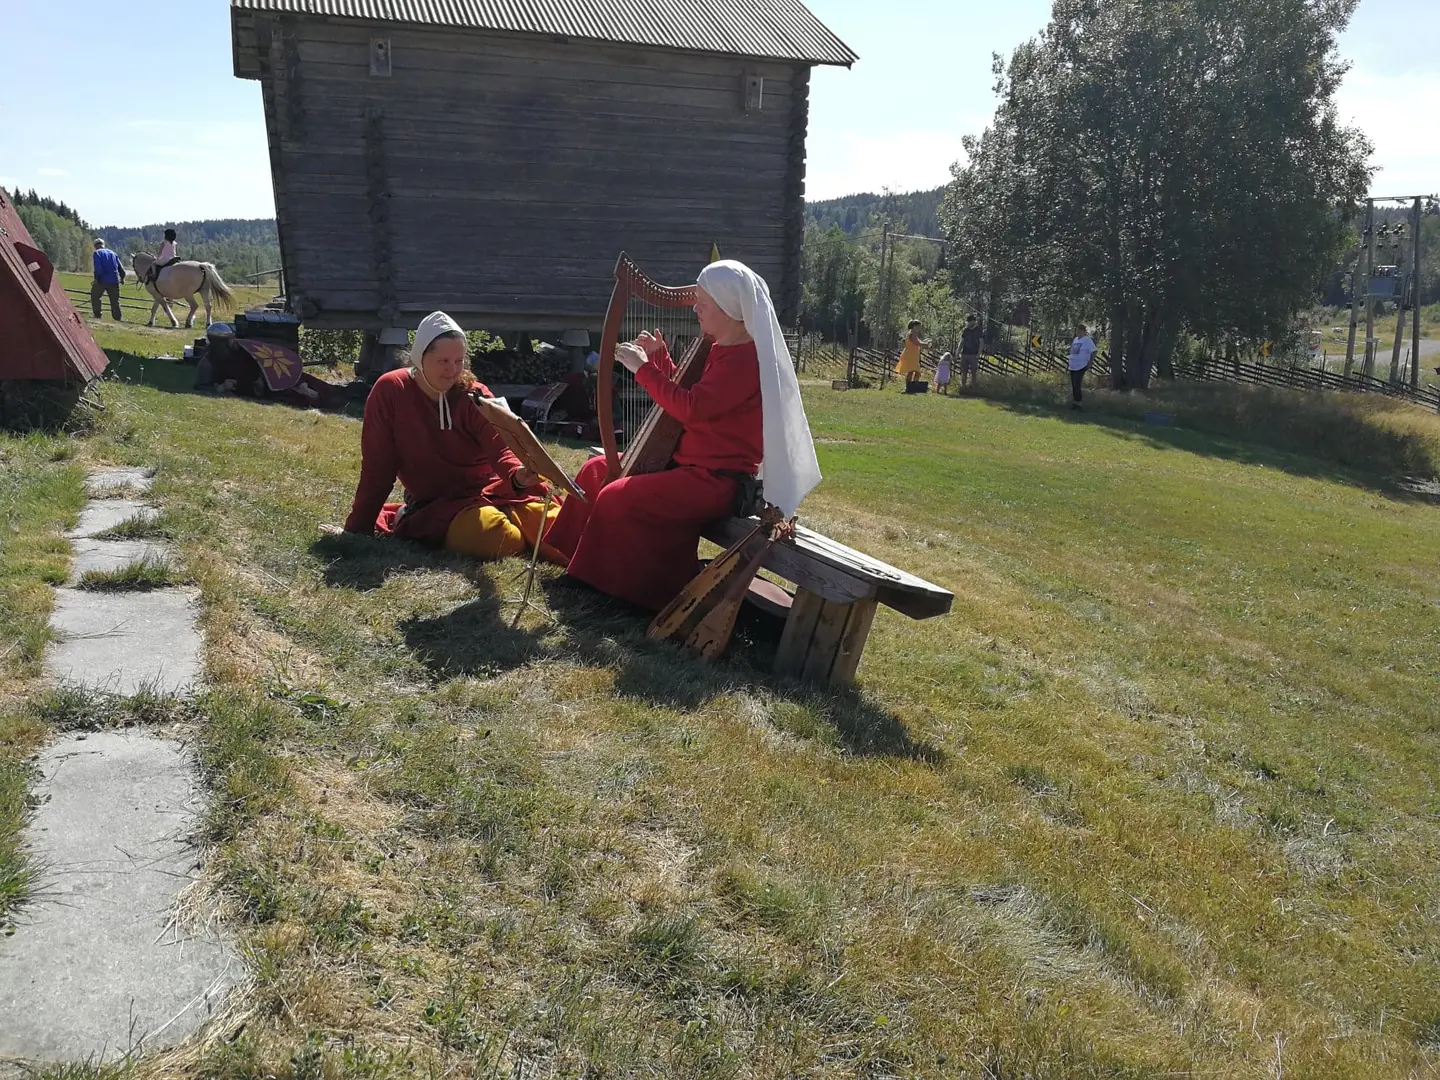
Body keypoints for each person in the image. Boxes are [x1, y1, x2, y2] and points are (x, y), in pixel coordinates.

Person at [546, 259, 821, 612]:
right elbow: (701, 397)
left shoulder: (745, 359)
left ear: (729, 310)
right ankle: (572, 560)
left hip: (716, 480)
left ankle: (610, 587)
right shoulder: (721, 346)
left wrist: (642, 369)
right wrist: (660, 362)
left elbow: (693, 408)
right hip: (689, 468)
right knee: (597, 469)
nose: (695, 309)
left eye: (703, 304)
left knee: (617, 496)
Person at [343, 311, 562, 561]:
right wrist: (359, 526)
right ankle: (414, 517)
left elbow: (501, 446)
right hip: (440, 503)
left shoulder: (474, 394)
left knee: (558, 529)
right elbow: (377, 467)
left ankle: (515, 517)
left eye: (458, 361)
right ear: (420, 357)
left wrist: (518, 476)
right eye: (443, 361)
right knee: (500, 538)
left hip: (497, 489)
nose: (452, 370)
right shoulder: (391, 390)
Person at [90, 239, 125, 321]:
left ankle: (97, 315)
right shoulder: (113, 253)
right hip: (114, 280)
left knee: (95, 296)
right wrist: (122, 278)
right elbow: (122, 270)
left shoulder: (97, 253)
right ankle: (117, 318)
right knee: (115, 300)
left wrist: (96, 279)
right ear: (103, 244)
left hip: (102, 280)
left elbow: (98, 268)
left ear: (95, 246)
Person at [1068, 323, 1098, 409]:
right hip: (1073, 365)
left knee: (1077, 384)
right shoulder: (1076, 340)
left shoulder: (1087, 340)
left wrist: (1090, 362)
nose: (1078, 332)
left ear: (1084, 331)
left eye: (1080, 331)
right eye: (1077, 331)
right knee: (1073, 385)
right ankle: (1075, 403)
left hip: (1081, 365)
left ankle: (1079, 404)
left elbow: (1094, 351)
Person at [894, 320, 928, 386]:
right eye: (918, 327)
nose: (919, 329)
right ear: (914, 326)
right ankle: (910, 386)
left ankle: (912, 386)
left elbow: (919, 342)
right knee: (913, 371)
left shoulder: (913, 334)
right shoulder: (912, 334)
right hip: (910, 355)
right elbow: (917, 343)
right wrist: (925, 344)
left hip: (913, 356)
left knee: (914, 371)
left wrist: (925, 343)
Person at [958, 314, 983, 393]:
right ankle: (963, 388)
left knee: (974, 373)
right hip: (965, 353)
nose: (968, 323)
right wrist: (958, 351)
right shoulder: (966, 330)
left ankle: (973, 389)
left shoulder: (978, 331)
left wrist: (978, 354)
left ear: (973, 321)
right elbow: (962, 341)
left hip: (974, 354)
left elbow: (981, 343)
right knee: (963, 371)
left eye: (969, 322)